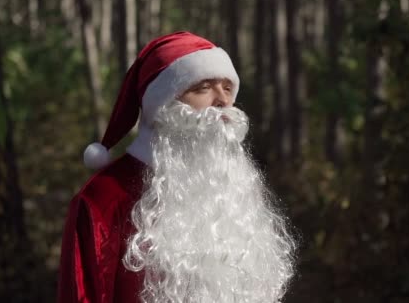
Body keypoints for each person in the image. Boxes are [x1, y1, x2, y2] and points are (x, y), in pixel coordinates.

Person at [57, 31, 296, 303]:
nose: (222, 101)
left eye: (227, 88)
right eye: (203, 87)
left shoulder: (236, 189)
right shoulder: (103, 199)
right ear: (163, 104)